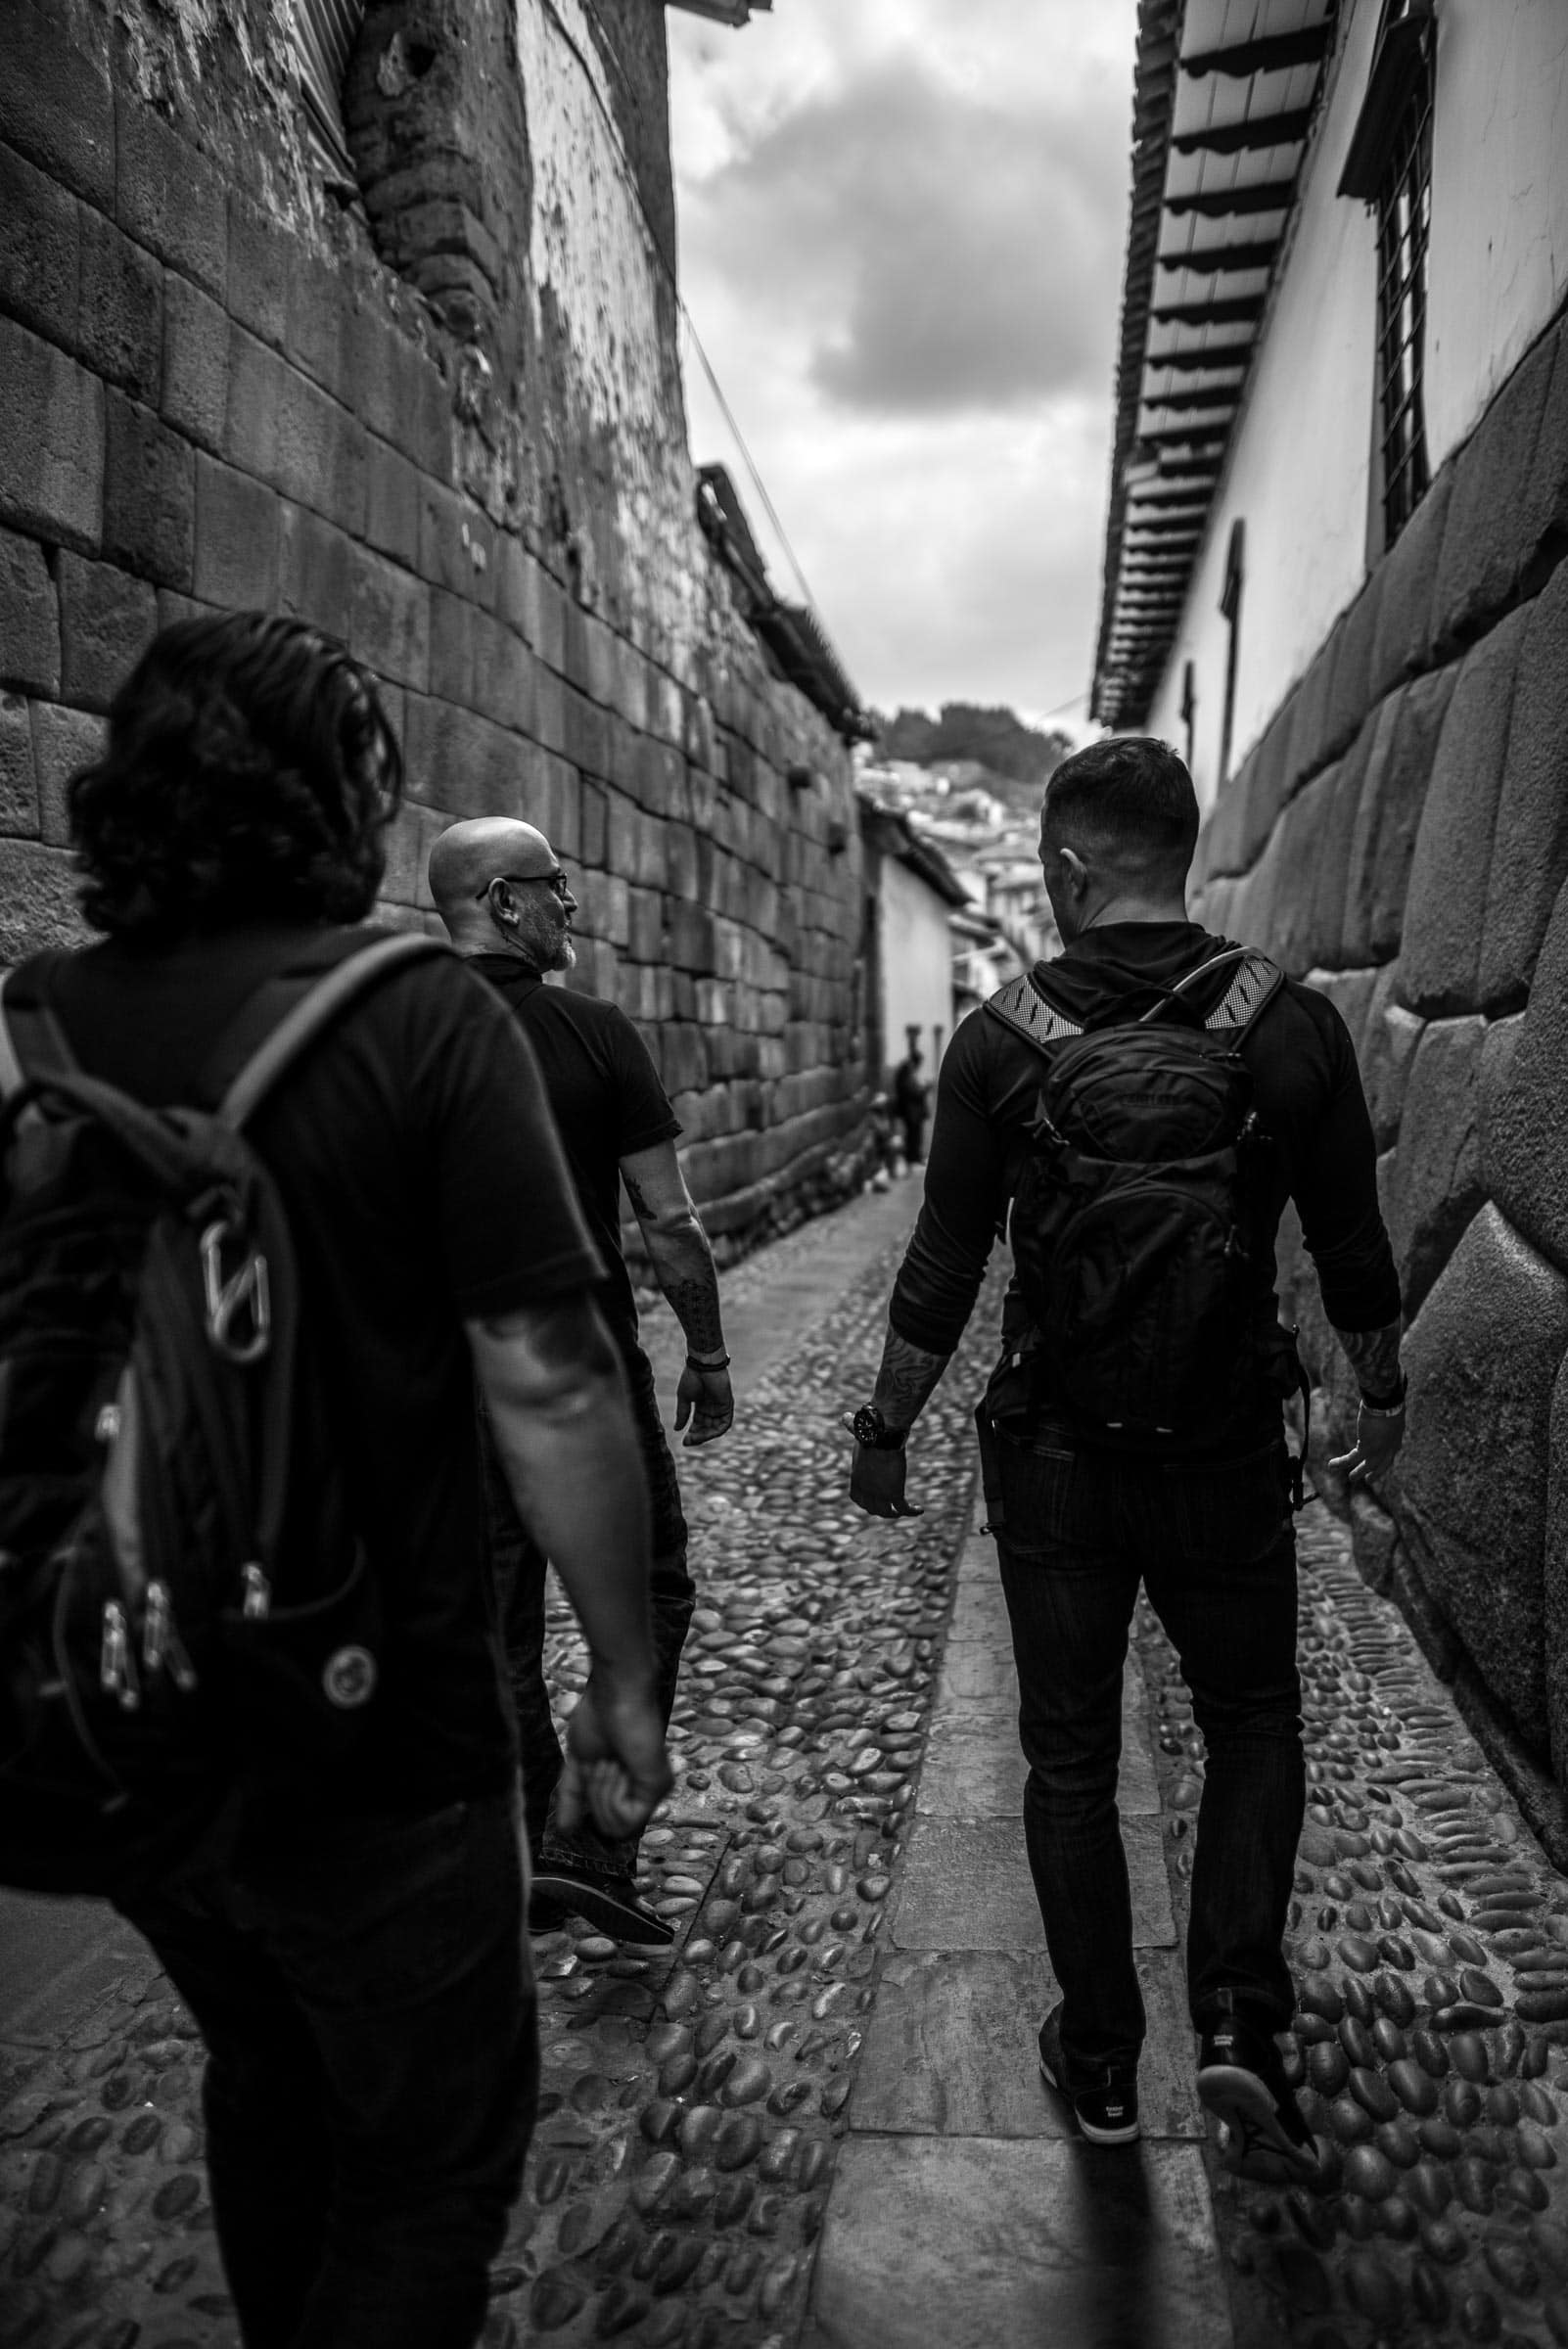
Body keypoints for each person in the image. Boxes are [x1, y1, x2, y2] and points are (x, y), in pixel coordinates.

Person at [4, 614, 670, 2349]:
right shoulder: (420, 1020)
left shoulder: (37, 1023)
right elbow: (550, 1372)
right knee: (429, 2163)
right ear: (343, 799)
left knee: (262, 2067)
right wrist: (620, 1668)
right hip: (376, 1716)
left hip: (124, 1695)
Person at [846, 735, 1405, 2177]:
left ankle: (1098, 2057)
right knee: (1252, 1722)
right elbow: (1349, 1247)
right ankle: (1233, 2021)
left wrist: (885, 1429)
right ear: (1186, 847)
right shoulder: (1286, 1025)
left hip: (1053, 1460)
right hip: (1223, 1450)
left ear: (1068, 867)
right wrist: (1378, 1396)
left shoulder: (996, 1039)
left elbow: (939, 1274)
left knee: (1069, 1759)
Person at [429, 815, 733, 1947]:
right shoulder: (595, 1033)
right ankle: (590, 1846)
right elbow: (671, 1223)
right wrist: (706, 1353)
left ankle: (532, 1856)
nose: (573, 907)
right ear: (505, 902)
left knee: (497, 1628)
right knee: (647, 1594)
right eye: (557, 888)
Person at [892, 1038, 930, 1163]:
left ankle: (914, 1156)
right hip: (911, 1110)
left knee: (915, 1134)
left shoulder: (908, 1070)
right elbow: (910, 1091)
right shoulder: (906, 1071)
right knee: (913, 1135)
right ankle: (912, 1157)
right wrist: (924, 1089)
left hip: (912, 1110)